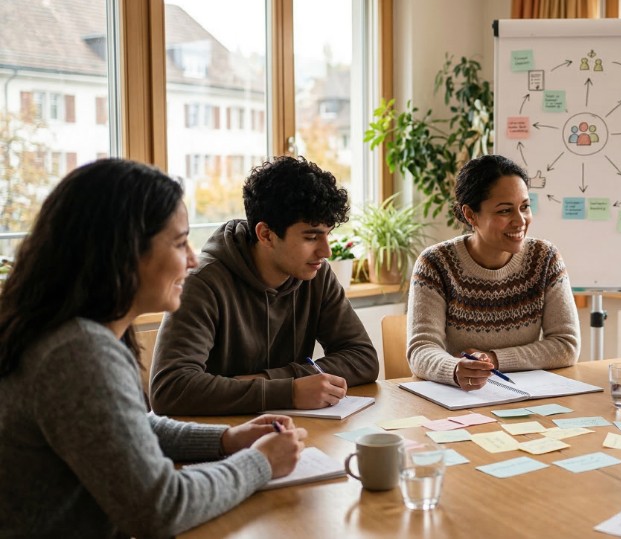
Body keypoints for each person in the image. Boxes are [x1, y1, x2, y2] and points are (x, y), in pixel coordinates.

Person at [0, 160, 307, 537]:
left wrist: (226, 439)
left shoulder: (70, 332)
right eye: (180, 243)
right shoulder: (77, 353)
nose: (193, 260)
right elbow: (160, 507)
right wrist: (259, 462)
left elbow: (128, 427)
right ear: (124, 251)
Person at [150, 156, 378, 415]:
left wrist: (274, 381)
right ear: (266, 234)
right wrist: (289, 391)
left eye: (328, 234)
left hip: (291, 432)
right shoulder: (203, 283)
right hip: (218, 438)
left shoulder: (316, 275)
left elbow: (363, 358)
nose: (325, 251)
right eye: (311, 237)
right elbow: (169, 389)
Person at [407, 154, 580, 390]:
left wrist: (493, 359)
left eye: (525, 207)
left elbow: (565, 345)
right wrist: (455, 369)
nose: (520, 221)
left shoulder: (545, 258)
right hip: (462, 398)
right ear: (470, 215)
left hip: (528, 395)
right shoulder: (435, 264)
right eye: (505, 211)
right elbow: (421, 349)